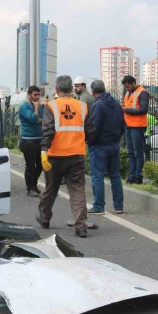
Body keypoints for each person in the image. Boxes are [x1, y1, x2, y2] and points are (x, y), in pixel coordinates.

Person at [36, 75, 91, 238]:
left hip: (55, 155)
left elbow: (47, 130)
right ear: (71, 89)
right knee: (77, 190)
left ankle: (45, 218)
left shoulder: (50, 106)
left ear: (57, 89)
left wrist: (43, 152)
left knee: (51, 187)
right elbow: (89, 130)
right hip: (77, 154)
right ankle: (81, 226)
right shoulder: (82, 106)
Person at [86, 80, 125, 217]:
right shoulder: (115, 103)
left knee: (97, 176)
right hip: (114, 144)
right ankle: (119, 206)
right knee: (115, 176)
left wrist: (89, 141)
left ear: (93, 92)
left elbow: (94, 127)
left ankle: (98, 206)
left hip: (99, 145)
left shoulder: (98, 105)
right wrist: (116, 138)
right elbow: (122, 124)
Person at [121, 75, 149, 184]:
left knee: (138, 153)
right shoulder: (128, 93)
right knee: (130, 153)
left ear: (133, 83)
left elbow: (143, 109)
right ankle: (131, 176)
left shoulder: (143, 93)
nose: (126, 89)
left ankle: (138, 177)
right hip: (128, 126)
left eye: (128, 87)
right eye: (125, 87)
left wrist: (126, 110)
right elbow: (127, 107)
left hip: (138, 126)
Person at [18, 85, 43, 197]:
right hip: (28, 141)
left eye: (39, 95)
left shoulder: (40, 107)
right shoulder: (25, 107)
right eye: (35, 95)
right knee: (30, 166)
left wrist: (37, 118)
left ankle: (34, 185)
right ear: (29, 95)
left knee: (41, 165)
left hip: (39, 140)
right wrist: (36, 109)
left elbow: (44, 119)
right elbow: (33, 119)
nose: (37, 97)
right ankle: (30, 188)